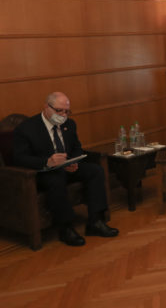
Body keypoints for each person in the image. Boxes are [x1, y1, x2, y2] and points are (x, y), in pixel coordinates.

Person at [13, 92, 118, 246]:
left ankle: (95, 222)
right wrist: (47, 162)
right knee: (56, 179)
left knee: (95, 171)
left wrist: (73, 161)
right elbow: (19, 158)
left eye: (67, 111)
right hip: (43, 172)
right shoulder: (27, 128)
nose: (63, 115)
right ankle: (66, 228)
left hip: (66, 168)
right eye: (59, 111)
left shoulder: (70, 124)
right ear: (46, 107)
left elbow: (76, 148)